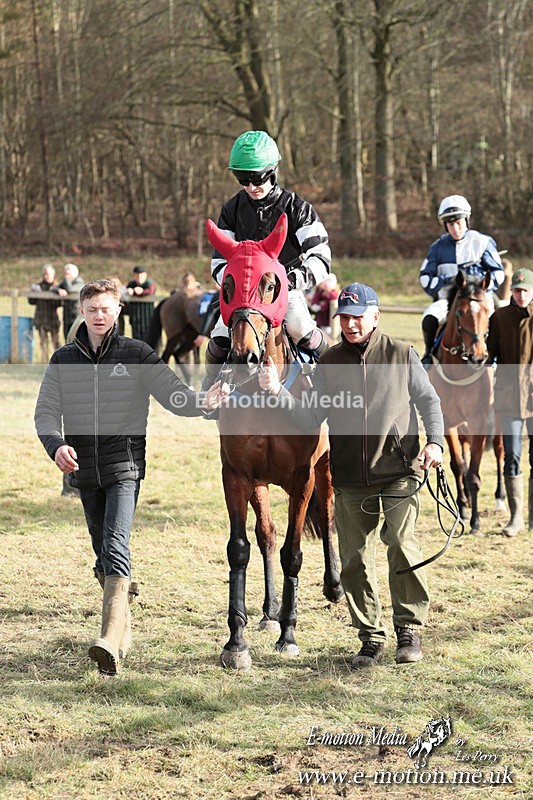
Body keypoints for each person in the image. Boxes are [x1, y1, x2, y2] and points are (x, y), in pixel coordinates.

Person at [34, 278, 221, 676]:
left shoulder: (137, 354)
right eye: (92, 309)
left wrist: (203, 403)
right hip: (83, 471)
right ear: (81, 312)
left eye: (107, 308)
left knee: (116, 544)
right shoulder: (63, 360)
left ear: (119, 311)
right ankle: (122, 634)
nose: (100, 315)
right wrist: (56, 445)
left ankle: (107, 640)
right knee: (102, 555)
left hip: (125, 468)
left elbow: (174, 395)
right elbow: (45, 412)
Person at [255, 282, 445, 668]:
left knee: (402, 547)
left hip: (398, 471)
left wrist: (435, 443)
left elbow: (428, 401)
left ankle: (408, 630)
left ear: (375, 317)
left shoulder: (401, 354)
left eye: (358, 317)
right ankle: (371, 638)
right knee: (353, 559)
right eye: (345, 317)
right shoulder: (330, 363)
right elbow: (310, 416)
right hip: (350, 478)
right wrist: (277, 391)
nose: (351, 324)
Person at [203, 130, 331, 388]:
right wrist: (233, 284)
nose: (251, 186)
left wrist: (289, 281)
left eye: (257, 177)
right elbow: (218, 263)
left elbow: (322, 257)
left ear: (272, 170)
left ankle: (333, 383)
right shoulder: (231, 209)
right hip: (241, 297)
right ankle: (210, 392)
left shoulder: (297, 207)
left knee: (302, 331)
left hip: (285, 292)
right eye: (243, 179)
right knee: (218, 343)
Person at [419, 195, 504, 363]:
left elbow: (498, 272)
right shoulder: (437, 247)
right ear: (445, 225)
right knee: (429, 318)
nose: (456, 229)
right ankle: (429, 355)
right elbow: (425, 279)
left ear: (466, 220)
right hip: (448, 300)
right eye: (451, 225)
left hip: (480, 297)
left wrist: (477, 282)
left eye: (459, 223)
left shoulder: (483, 242)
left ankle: (501, 358)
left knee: (500, 318)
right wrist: (446, 280)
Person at [487, 268, 533, 537]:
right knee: (512, 455)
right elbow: (490, 353)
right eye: (517, 290)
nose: (521, 295)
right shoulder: (499, 317)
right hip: (509, 398)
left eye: (526, 290)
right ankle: (516, 518)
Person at [28, 263, 61, 362]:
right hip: (41, 318)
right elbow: (31, 302)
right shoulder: (38, 286)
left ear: (53, 275)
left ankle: (59, 362)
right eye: (45, 274)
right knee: (43, 343)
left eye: (49, 274)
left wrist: (55, 293)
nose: (47, 276)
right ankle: (44, 362)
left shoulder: (57, 286)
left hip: (52, 319)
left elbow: (59, 303)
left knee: (56, 342)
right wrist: (33, 293)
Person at [52, 263, 85, 343]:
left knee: (76, 337)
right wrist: (59, 290)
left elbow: (70, 289)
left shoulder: (80, 283)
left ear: (74, 274)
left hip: (77, 315)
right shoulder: (65, 283)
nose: (65, 276)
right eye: (65, 274)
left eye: (68, 274)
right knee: (66, 337)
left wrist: (66, 279)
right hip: (66, 315)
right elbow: (53, 288)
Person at [126, 265, 156, 341]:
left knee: (149, 339)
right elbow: (125, 292)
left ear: (145, 275)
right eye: (137, 274)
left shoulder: (149, 283)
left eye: (141, 274)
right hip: (135, 318)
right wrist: (128, 291)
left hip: (148, 318)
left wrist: (141, 291)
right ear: (134, 275)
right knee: (136, 339)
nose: (139, 276)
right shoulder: (131, 284)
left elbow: (150, 291)